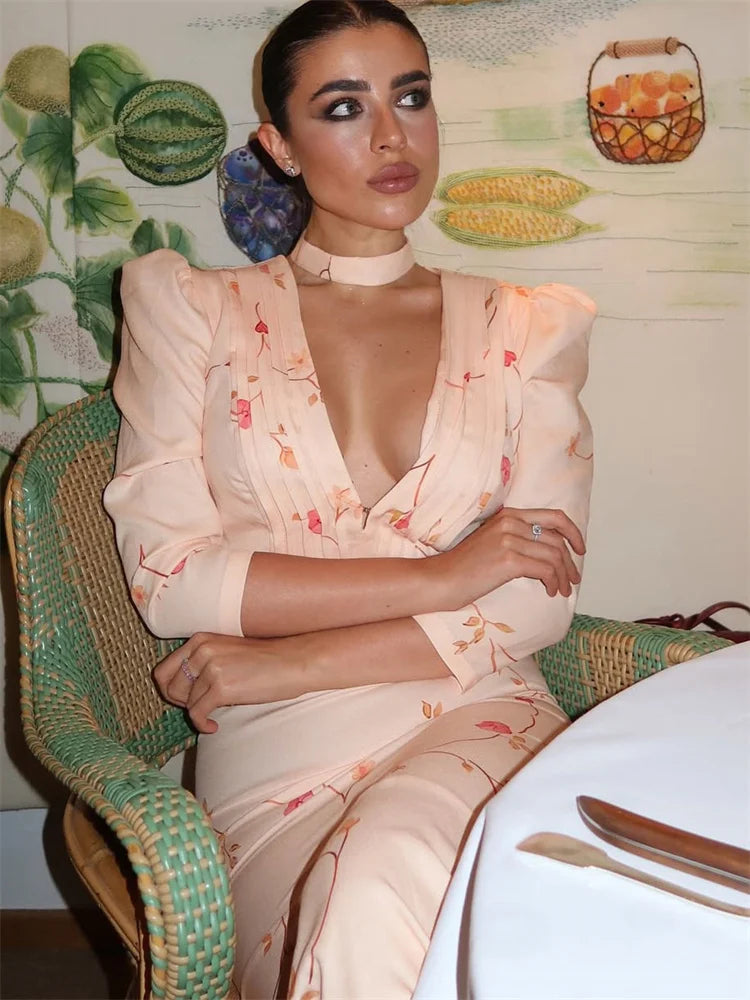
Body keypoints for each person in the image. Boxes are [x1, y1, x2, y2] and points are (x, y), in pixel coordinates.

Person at [103, 1, 596, 996]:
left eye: (411, 96)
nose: (391, 135)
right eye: (343, 106)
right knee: (373, 907)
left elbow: (536, 601)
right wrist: (446, 573)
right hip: (278, 765)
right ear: (278, 146)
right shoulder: (191, 309)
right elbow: (172, 580)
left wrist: (281, 659)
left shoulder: (530, 325)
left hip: (474, 715)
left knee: (390, 876)